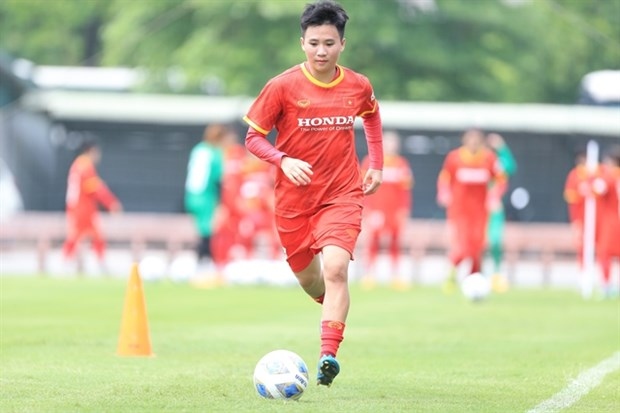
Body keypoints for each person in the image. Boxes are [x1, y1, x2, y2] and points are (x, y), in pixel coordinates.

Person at [242, 0, 383, 387]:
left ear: (343, 44)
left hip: (342, 193)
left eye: (330, 43)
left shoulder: (358, 85)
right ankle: (332, 309)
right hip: (294, 202)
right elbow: (253, 137)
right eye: (314, 43)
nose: (322, 51)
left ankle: (328, 355)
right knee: (312, 281)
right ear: (302, 43)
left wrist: (377, 164)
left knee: (337, 269)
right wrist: (282, 159)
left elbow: (371, 114)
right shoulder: (282, 86)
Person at [437, 129, 506, 293]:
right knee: (462, 246)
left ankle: (474, 278)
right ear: (464, 140)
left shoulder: (489, 158)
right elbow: (444, 178)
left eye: (477, 139)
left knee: (477, 246)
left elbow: (501, 180)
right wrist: (444, 193)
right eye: (470, 139)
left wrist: (494, 196)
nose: (474, 142)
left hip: (480, 211)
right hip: (459, 210)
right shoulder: (454, 158)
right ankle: (451, 274)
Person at [360, 130, 413, 289]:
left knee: (395, 242)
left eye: (394, 143)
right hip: (377, 209)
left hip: (394, 210)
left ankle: (396, 276)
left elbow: (405, 190)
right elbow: (363, 188)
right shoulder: (369, 162)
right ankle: (369, 275)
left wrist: (404, 210)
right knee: (373, 241)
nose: (391, 146)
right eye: (388, 142)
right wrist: (368, 210)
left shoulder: (402, 164)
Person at [62, 139, 122, 272]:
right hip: (82, 208)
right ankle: (68, 262)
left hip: (76, 207)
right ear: (91, 151)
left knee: (91, 235)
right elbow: (95, 188)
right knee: (80, 235)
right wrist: (111, 202)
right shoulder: (84, 165)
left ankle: (95, 262)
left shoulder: (78, 164)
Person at [184, 124, 231, 280]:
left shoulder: (198, 149)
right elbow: (219, 179)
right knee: (209, 232)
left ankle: (202, 262)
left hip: (191, 195)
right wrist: (222, 203)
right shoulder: (215, 153)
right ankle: (205, 264)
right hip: (207, 196)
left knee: (201, 231)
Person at [485, 133, 517, 292]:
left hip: (494, 208)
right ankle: (476, 273)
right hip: (478, 208)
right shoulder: (481, 160)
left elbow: (510, 167)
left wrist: (502, 147)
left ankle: (496, 274)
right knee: (476, 243)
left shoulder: (498, 162)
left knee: (496, 241)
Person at [594, 146, 620, 298]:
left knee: (605, 253)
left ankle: (606, 285)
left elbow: (596, 189)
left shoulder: (609, 177)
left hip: (612, 221)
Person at [563, 150, 588, 268]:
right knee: (581, 244)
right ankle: (582, 268)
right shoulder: (574, 175)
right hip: (579, 216)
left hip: (595, 218)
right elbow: (569, 195)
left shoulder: (593, 175)